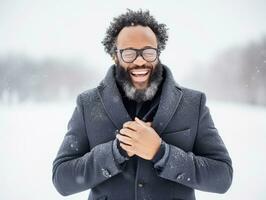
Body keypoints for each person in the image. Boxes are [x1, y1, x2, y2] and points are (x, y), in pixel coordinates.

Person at [52, 9, 233, 200]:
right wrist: (117, 151)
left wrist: (162, 153)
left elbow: (222, 177)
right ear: (115, 55)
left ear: (158, 52)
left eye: (148, 52)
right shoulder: (87, 104)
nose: (140, 60)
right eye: (129, 53)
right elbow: (62, 179)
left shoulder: (193, 104)